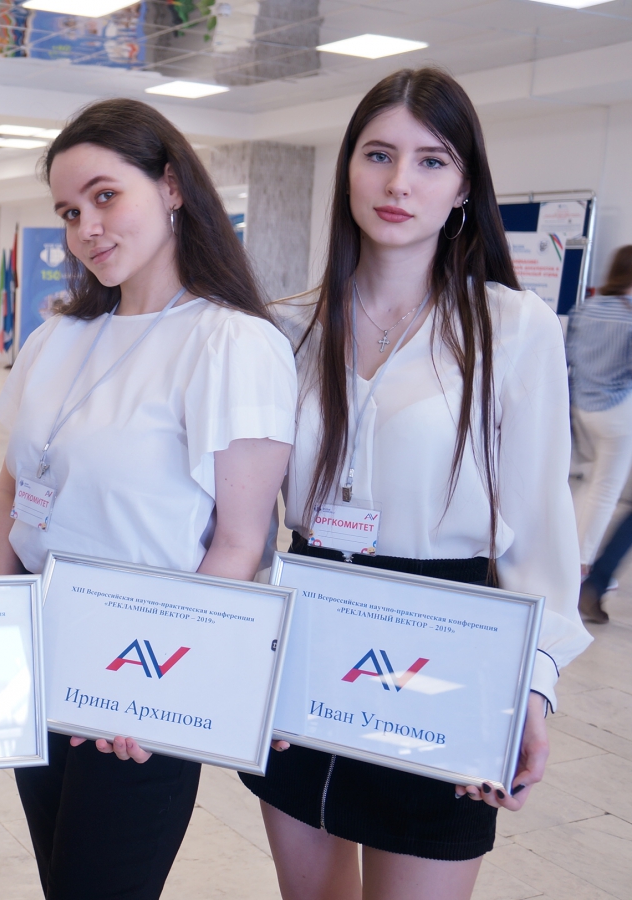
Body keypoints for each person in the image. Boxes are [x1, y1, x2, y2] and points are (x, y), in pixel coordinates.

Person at [239, 68, 591, 900]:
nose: (399, 182)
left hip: (448, 649)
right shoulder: (289, 325)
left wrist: (532, 684)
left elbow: (540, 525)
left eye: (431, 161)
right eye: (378, 155)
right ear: (347, 171)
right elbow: (244, 514)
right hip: (307, 642)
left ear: (464, 186)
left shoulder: (512, 329)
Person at [0, 99, 297, 900]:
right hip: (45, 664)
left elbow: (238, 542)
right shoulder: (57, 337)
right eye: (68, 211)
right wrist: (6, 630)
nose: (86, 227)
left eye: (104, 196)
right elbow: (12, 488)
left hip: (141, 680)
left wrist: (155, 695)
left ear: (171, 187)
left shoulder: (232, 343)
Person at [568, 246, 632, 624]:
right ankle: (582, 567)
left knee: (587, 483)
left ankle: (567, 555)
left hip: (582, 406)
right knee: (606, 490)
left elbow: (568, 356)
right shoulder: (629, 315)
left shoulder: (586, 307)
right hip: (616, 413)